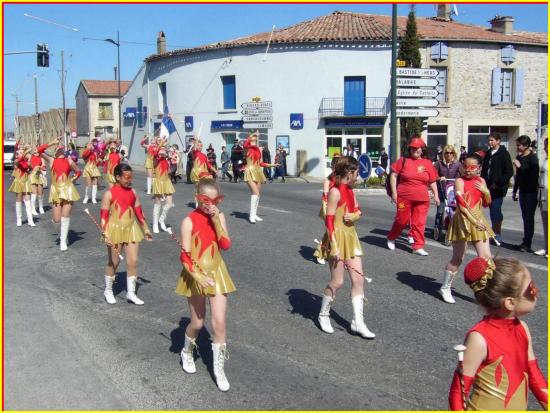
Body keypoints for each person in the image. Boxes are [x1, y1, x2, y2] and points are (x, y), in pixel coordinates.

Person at [448, 256, 547, 410]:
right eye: (531, 288)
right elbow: (458, 392)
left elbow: (533, 374)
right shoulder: (479, 338)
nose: (536, 291)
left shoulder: (522, 328)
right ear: (510, 302)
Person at [175, 178, 235, 392]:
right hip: (196, 275)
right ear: (197, 198)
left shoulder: (220, 215)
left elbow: (225, 245)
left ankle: (219, 370)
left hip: (217, 272)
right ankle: (187, 351)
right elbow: (185, 256)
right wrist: (198, 277)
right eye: (205, 200)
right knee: (198, 324)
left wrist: (216, 219)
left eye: (214, 200)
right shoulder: (188, 221)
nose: (210, 204)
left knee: (219, 323)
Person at [314, 156, 375, 339]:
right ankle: (323, 314)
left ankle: (358, 322)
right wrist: (333, 246)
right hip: (336, 239)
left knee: (358, 280)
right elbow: (329, 221)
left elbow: (358, 210)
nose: (358, 176)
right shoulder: (335, 192)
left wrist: (355, 216)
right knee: (338, 282)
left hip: (351, 238)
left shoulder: (350, 191)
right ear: (349, 172)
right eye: (356, 173)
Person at [439, 154, 493, 304]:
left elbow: (487, 203)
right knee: (458, 258)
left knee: (486, 259)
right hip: (462, 221)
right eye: (465, 166)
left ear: (479, 168)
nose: (468, 170)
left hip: (478, 220)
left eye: (472, 167)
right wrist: (474, 221)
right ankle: (445, 287)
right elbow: (461, 204)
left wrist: (486, 191)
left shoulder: (481, 181)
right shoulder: (459, 181)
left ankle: (483, 290)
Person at [100, 163, 153, 305]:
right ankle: (108, 290)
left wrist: (146, 229)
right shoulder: (109, 194)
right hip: (114, 230)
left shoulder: (133, 192)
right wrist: (105, 233)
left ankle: (131, 293)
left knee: (133, 261)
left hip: (131, 229)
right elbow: (104, 216)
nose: (130, 180)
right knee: (114, 262)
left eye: (131, 177)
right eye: (126, 177)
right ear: (118, 177)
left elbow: (139, 214)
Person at [387, 137, 440, 256]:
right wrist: (394, 193)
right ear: (410, 149)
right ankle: (391, 237)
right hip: (404, 197)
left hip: (422, 199)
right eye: (413, 148)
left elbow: (432, 181)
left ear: (422, 149)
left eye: (418, 148)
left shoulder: (427, 163)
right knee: (402, 220)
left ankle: (418, 246)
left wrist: (436, 195)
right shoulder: (403, 160)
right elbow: (393, 176)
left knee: (419, 223)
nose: (415, 150)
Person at [39, 138, 82, 251]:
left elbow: (78, 171)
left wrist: (73, 179)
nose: (60, 149)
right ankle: (62, 234)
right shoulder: (51, 160)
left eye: (62, 148)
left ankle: (63, 241)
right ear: (55, 152)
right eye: (58, 148)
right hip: (56, 191)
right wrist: (52, 142)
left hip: (68, 190)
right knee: (57, 219)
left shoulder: (69, 161)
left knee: (65, 215)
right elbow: (39, 150)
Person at [480, 133, 513, 244]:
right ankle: (494, 231)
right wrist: (482, 182)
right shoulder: (488, 153)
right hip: (488, 187)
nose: (490, 142)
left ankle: (497, 233)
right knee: (492, 210)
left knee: (495, 209)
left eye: (492, 140)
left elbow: (509, 172)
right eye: (489, 140)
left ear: (498, 141)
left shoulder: (504, 154)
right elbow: (484, 170)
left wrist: (498, 183)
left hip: (498, 188)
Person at [512, 135, 540, 253]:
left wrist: (520, 166)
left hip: (531, 191)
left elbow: (533, 175)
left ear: (526, 146)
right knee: (525, 216)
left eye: (519, 145)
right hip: (523, 191)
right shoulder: (519, 157)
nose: (517, 147)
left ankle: (527, 243)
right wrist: (515, 190)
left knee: (529, 217)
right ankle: (525, 241)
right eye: (517, 145)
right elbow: (518, 176)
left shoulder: (533, 158)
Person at [242, 131, 277, 224]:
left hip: (258, 172)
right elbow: (245, 144)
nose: (255, 138)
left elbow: (260, 163)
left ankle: (254, 214)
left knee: (258, 195)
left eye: (256, 137)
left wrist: (272, 165)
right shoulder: (247, 148)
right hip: (250, 171)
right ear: (250, 138)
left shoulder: (258, 149)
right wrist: (252, 134)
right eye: (253, 137)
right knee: (255, 193)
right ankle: (251, 215)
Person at [313, 154, 340, 265]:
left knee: (336, 232)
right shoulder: (328, 180)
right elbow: (325, 198)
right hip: (329, 208)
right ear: (332, 167)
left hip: (339, 208)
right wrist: (327, 213)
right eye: (335, 166)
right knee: (329, 232)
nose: (336, 169)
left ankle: (330, 253)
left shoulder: (340, 179)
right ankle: (320, 253)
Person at [433, 145, 461, 241]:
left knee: (452, 212)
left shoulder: (457, 164)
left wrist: (459, 180)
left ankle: (452, 229)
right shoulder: (439, 163)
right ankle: (437, 227)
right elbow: (432, 175)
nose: (449, 155)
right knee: (440, 211)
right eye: (447, 153)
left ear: (454, 154)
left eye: (451, 153)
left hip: (452, 192)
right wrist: (439, 178)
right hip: (441, 190)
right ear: (444, 154)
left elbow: (463, 175)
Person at [9, 143, 35, 227]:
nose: (21, 154)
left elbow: (31, 169)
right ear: (17, 155)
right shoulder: (16, 161)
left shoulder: (26, 161)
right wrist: (25, 152)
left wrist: (30, 167)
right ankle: (19, 219)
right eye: (20, 153)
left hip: (26, 182)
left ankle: (30, 220)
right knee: (19, 200)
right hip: (18, 182)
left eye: (22, 152)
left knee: (28, 201)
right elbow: (19, 161)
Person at [151, 143, 176, 233]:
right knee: (158, 203)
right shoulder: (156, 160)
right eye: (161, 149)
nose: (162, 150)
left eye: (164, 149)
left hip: (167, 182)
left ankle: (161, 220)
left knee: (169, 203)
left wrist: (174, 162)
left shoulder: (166, 160)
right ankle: (155, 224)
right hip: (158, 182)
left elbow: (169, 172)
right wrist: (161, 143)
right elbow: (155, 154)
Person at [534, 138, 548, 257]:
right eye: (545, 145)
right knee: (545, 222)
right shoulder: (546, 160)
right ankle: (546, 247)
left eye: (547, 146)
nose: (545, 148)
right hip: (543, 195)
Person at [82, 140, 102, 204]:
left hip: (94, 169)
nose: (91, 145)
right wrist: (89, 149)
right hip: (88, 168)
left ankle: (93, 198)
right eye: (89, 144)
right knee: (88, 184)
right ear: (86, 146)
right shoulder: (85, 151)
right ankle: (86, 197)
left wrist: (99, 161)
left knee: (95, 184)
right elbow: (84, 156)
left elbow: (96, 163)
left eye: (91, 144)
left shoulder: (95, 153)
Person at [28, 144, 47, 215]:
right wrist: (30, 166)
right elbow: (28, 165)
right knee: (34, 193)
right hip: (32, 175)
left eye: (37, 149)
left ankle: (41, 207)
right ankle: (33, 209)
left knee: (40, 192)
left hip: (39, 175)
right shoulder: (30, 156)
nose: (35, 151)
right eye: (34, 149)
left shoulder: (41, 157)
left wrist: (41, 167)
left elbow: (44, 167)